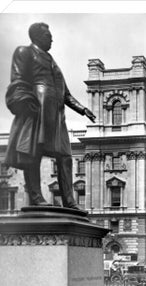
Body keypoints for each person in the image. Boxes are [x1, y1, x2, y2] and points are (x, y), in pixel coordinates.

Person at [5, 22, 96, 209]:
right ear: (37, 36)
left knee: (65, 156)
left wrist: (82, 109)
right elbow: (18, 80)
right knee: (34, 153)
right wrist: (26, 102)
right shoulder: (25, 52)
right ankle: (36, 197)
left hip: (56, 113)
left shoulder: (52, 61)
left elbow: (66, 94)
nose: (52, 39)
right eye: (48, 36)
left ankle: (69, 201)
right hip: (38, 109)